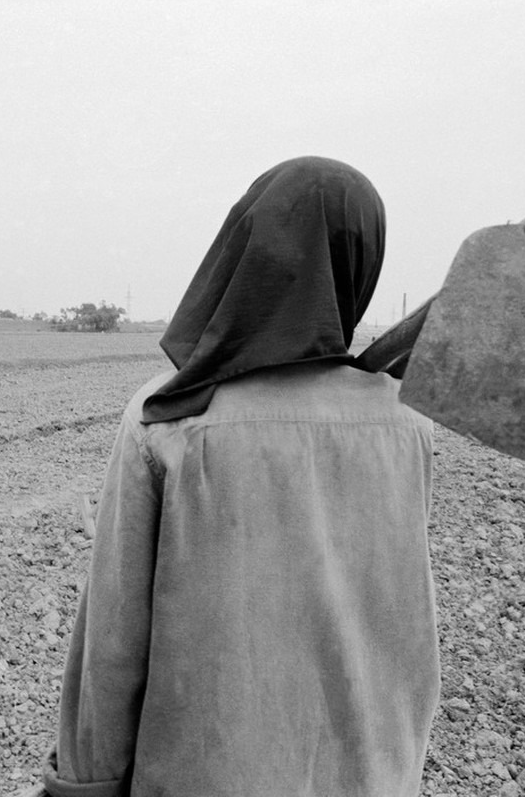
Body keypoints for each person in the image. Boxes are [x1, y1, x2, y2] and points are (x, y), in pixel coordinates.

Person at [42, 157, 438, 796]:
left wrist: (84, 785)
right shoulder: (408, 425)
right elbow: (401, 637)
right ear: (363, 262)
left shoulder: (169, 421)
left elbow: (112, 645)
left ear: (242, 254)